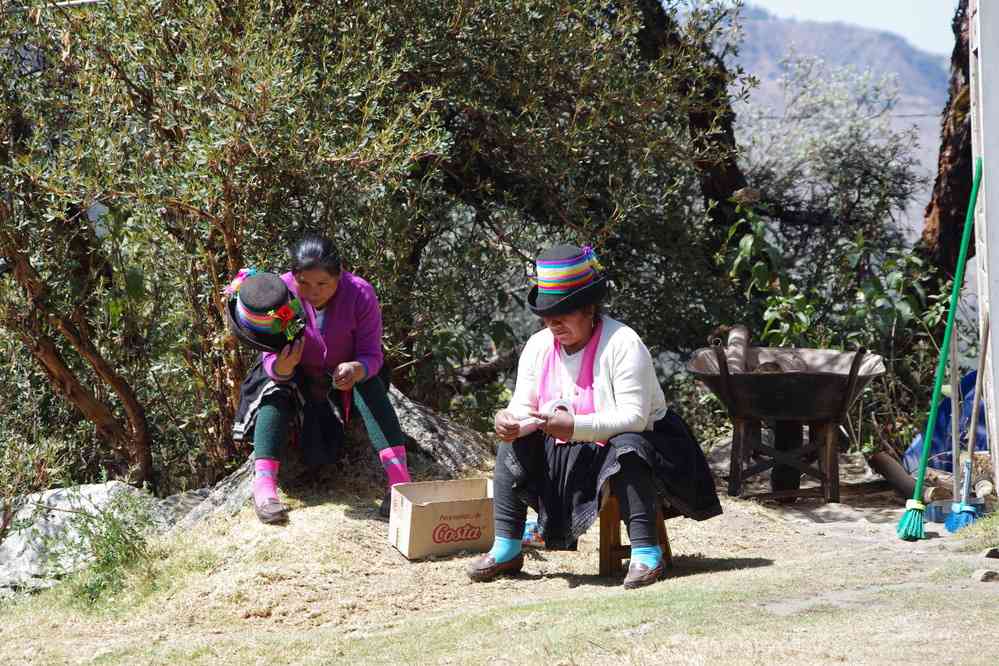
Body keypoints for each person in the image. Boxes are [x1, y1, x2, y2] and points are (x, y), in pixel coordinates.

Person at [466, 244, 721, 589]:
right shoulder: (538, 346)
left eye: (564, 312)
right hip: (572, 443)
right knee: (511, 446)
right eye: (548, 314)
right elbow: (524, 407)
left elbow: (634, 417)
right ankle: (506, 547)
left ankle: (647, 553)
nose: (554, 322)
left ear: (589, 309)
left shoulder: (623, 343)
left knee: (628, 446)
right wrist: (509, 421)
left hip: (645, 445)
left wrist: (574, 428)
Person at [230, 233, 411, 523]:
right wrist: (283, 367)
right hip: (297, 378)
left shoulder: (360, 294)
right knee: (275, 388)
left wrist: (357, 368)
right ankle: (264, 487)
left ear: (339, 275)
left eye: (323, 284)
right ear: (294, 276)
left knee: (369, 383)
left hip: (344, 380)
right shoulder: (280, 295)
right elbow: (269, 356)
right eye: (304, 283)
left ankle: (399, 483)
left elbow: (372, 355)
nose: (313, 292)